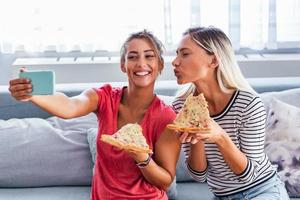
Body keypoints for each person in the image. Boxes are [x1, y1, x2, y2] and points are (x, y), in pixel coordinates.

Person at [9, 30, 181, 200]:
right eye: (133, 57)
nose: (141, 63)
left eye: (149, 56)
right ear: (123, 65)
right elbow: (70, 106)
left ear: (160, 64)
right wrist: (33, 94)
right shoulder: (104, 97)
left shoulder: (166, 117)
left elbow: (165, 182)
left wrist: (142, 158)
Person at [172, 26, 290, 200]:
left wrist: (220, 137)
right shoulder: (182, 106)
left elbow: (248, 175)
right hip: (221, 196)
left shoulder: (248, 104)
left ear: (213, 61)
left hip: (263, 190)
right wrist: (197, 136)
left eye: (185, 54)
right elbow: (199, 175)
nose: (175, 61)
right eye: (176, 54)